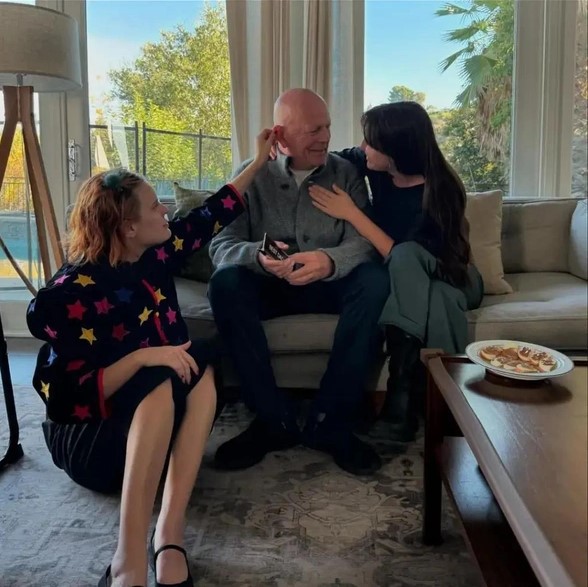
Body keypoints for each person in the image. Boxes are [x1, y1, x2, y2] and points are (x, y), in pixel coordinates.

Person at [26, 128, 275, 587]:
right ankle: (127, 559)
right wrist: (142, 358)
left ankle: (169, 533)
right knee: (157, 373)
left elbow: (210, 214)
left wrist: (258, 162)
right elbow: (63, 399)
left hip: (150, 439)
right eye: (156, 205)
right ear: (128, 227)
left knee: (201, 362)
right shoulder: (72, 293)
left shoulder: (156, 253)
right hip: (91, 443)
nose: (166, 209)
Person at [208, 88, 390, 476]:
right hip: (271, 287)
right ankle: (272, 419)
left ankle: (331, 421)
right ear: (280, 133)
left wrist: (330, 261)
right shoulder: (251, 173)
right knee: (225, 284)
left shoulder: (346, 172)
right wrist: (256, 256)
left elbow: (364, 242)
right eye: (313, 130)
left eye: (327, 127)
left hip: (330, 285)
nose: (326, 137)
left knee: (374, 281)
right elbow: (221, 245)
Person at [308, 101, 484, 441]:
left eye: (371, 142)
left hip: (456, 275)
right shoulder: (374, 165)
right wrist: (281, 150)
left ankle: (399, 393)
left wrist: (352, 213)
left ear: (396, 149)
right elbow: (328, 158)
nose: (363, 147)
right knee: (440, 299)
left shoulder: (442, 188)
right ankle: (435, 405)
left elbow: (401, 256)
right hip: (429, 288)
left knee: (409, 257)